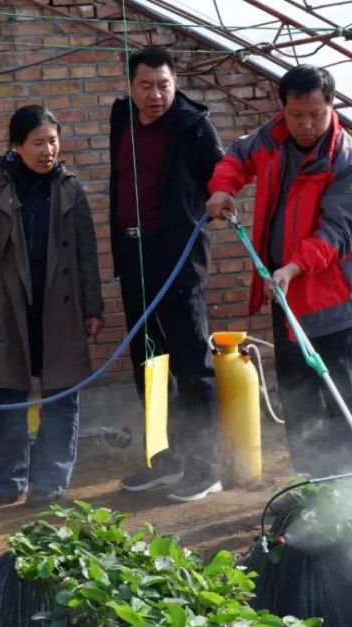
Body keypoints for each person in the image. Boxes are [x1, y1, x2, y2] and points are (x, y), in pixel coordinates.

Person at [206, 64, 352, 477]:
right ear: (282, 108)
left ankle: (351, 486)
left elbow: (338, 232)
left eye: (316, 114)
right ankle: (310, 481)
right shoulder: (273, 139)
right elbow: (237, 155)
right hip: (284, 294)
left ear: (331, 106)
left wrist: (294, 266)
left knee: (339, 392)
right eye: (296, 114)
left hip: (332, 295)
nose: (306, 125)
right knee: (298, 394)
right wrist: (222, 187)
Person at [0, 105, 103, 509]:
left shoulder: (70, 188)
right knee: (7, 396)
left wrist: (92, 307)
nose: (48, 150)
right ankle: (8, 483)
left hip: (61, 306)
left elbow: (87, 254)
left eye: (53, 140)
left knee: (61, 397)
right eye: (38, 142)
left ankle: (50, 484)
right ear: (17, 145)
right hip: (8, 304)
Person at [108, 47, 224, 503]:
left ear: (175, 84)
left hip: (178, 258)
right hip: (134, 253)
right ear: (130, 88)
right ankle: (164, 460)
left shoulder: (194, 126)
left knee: (193, 364)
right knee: (150, 364)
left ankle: (205, 467)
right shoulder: (122, 119)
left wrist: (217, 201)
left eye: (164, 85)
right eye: (145, 86)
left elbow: (221, 179)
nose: (155, 95)